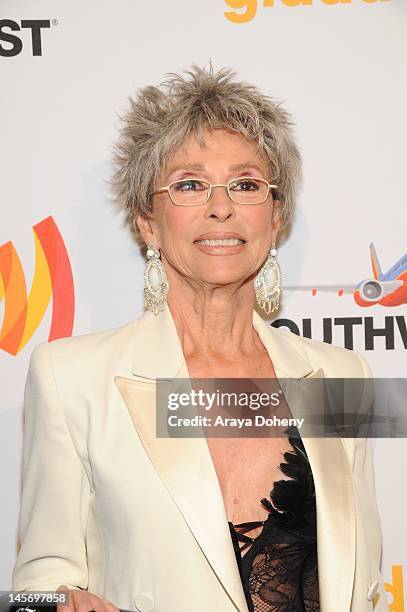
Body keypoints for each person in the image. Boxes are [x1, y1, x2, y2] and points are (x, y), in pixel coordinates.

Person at [12, 64, 388, 612]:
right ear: (147, 219)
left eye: (245, 183)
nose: (220, 206)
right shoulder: (70, 377)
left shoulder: (340, 375)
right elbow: (34, 584)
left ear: (275, 214)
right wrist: (58, 602)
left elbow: (366, 585)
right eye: (189, 184)